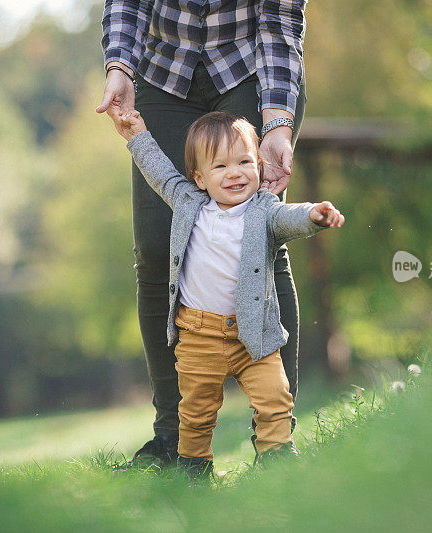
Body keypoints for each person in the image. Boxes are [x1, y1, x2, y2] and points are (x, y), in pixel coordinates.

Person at [98, 0, 309, 467]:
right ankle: (173, 440)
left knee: (261, 239)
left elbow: (280, 19)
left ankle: (276, 438)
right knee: (156, 250)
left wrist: (277, 124)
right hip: (163, 69)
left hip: (249, 67)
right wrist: (119, 66)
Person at [115, 109, 344, 476]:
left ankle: (276, 461)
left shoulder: (265, 210)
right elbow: (158, 172)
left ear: (258, 165)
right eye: (220, 167)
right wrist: (136, 135)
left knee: (275, 397)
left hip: (253, 334)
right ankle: (194, 470)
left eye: (244, 162)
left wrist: (314, 215)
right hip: (198, 335)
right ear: (199, 178)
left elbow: (291, 218)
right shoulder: (189, 202)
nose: (235, 173)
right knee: (195, 412)